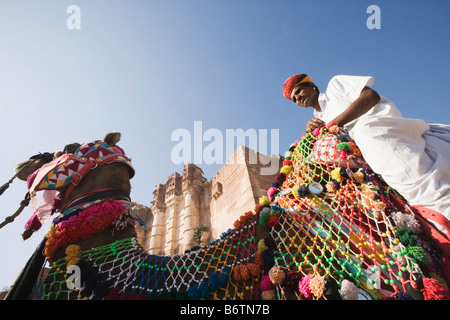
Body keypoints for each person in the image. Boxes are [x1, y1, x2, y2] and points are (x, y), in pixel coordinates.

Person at [282, 73, 450, 235]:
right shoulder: (318, 119)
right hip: (359, 157)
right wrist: (316, 131)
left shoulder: (336, 86)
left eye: (298, 92)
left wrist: (331, 125)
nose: (297, 99)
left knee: (367, 133)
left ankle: (441, 209)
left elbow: (371, 96)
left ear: (311, 85)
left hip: (380, 131)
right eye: (294, 99)